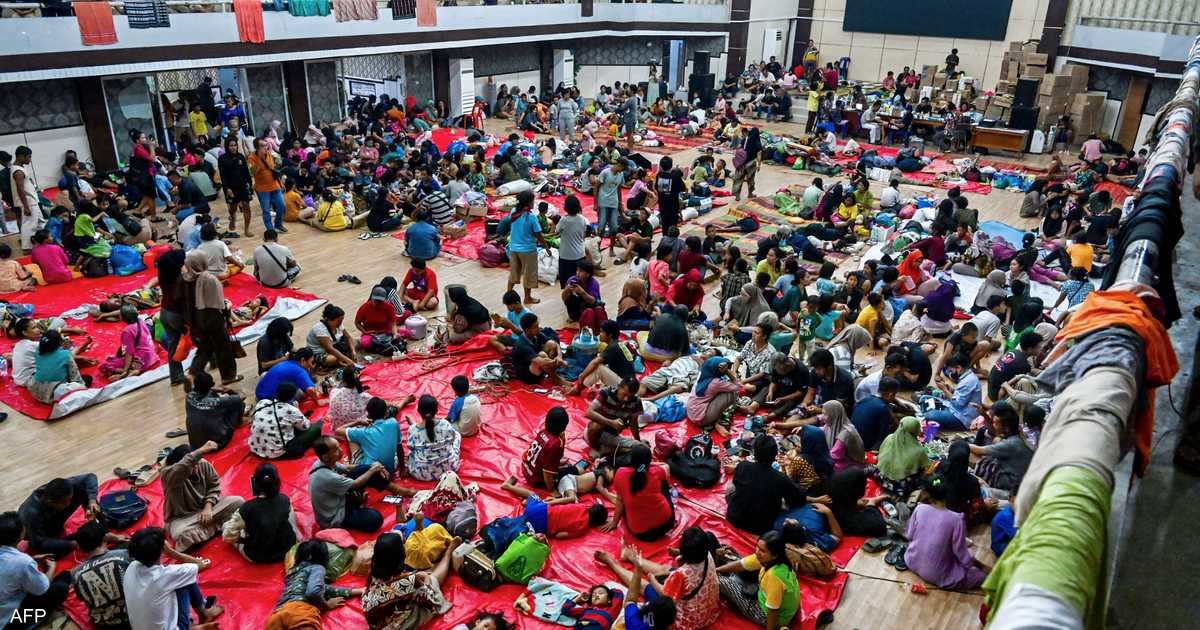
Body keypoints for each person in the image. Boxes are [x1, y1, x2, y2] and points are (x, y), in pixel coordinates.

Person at [594, 527, 719, 630]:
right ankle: (629, 555)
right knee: (665, 570)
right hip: (706, 615)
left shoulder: (680, 575)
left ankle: (613, 563)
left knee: (644, 585)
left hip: (687, 621)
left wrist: (651, 579)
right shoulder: (707, 555)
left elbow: (663, 595)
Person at [122, 527, 224, 630]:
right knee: (185, 579)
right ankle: (203, 615)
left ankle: (194, 627)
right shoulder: (166, 575)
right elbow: (200, 565)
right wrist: (172, 552)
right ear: (162, 549)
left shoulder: (132, 567)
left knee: (179, 579)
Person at [361, 531, 459, 630]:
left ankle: (440, 564)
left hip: (376, 624)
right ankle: (448, 554)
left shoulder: (373, 572)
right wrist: (426, 580)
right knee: (432, 580)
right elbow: (428, 600)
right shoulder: (407, 582)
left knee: (421, 577)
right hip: (395, 626)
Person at [903, 475, 987, 589]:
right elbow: (962, 555)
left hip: (911, 560)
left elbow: (909, 535)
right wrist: (981, 566)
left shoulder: (919, 509)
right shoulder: (956, 519)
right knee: (981, 576)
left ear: (927, 494)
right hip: (935, 574)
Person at [160, 441, 244, 551]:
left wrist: (208, 506)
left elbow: (214, 486)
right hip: (184, 519)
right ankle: (219, 525)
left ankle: (205, 531)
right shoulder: (169, 476)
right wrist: (201, 450)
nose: (196, 467)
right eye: (192, 465)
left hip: (209, 510)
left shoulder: (202, 464)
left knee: (238, 501)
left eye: (197, 463)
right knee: (179, 534)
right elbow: (182, 467)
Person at [265, 539, 361, 629]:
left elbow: (323, 588)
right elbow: (313, 592)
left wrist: (355, 591)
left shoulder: (292, 573)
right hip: (299, 612)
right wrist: (326, 605)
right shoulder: (317, 568)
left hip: (277, 614)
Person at [716, 530, 800, 630]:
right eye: (757, 547)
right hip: (767, 597)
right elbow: (741, 565)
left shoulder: (774, 577)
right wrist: (716, 570)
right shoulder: (775, 560)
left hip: (767, 616)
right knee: (733, 561)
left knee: (721, 581)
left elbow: (773, 611)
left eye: (762, 550)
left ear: (774, 555)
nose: (757, 552)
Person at [181, 251, 241, 385]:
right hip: (212, 318)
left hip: (194, 319)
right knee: (223, 347)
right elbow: (219, 303)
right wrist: (228, 307)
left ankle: (192, 373)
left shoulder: (185, 279)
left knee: (205, 348)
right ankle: (228, 376)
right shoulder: (209, 279)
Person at [728, 435, 805, 535]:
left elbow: (737, 483)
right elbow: (798, 498)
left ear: (754, 453)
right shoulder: (780, 478)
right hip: (760, 527)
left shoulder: (743, 466)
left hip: (734, 517)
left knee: (732, 488)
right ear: (775, 455)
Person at [221, 463, 298, 563]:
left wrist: (243, 540)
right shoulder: (284, 499)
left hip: (258, 555)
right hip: (287, 548)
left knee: (225, 526)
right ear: (277, 482)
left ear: (255, 483)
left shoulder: (247, 508)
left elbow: (228, 536)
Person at [308, 437, 385, 532]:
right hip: (335, 517)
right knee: (376, 519)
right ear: (325, 457)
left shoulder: (323, 462)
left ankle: (394, 489)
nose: (341, 450)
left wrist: (371, 466)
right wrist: (373, 469)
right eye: (336, 450)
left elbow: (347, 468)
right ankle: (355, 510)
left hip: (338, 500)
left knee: (364, 469)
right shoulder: (327, 476)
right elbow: (355, 484)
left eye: (339, 447)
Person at [602, 443, 674, 541]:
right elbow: (666, 467)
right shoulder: (657, 471)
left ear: (631, 459)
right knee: (663, 483)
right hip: (667, 524)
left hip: (642, 534)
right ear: (650, 461)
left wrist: (614, 522)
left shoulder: (620, 473)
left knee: (625, 500)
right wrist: (648, 465)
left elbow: (620, 501)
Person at [16, 473, 99, 558]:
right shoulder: (31, 514)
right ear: (50, 501)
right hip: (40, 531)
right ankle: (87, 534)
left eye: (69, 499)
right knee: (56, 553)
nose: (68, 504)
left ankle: (98, 523)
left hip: (54, 515)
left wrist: (92, 501)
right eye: (64, 502)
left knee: (82, 489)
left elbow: (90, 477)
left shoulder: (62, 488)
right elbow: (40, 543)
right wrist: (71, 544)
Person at [968, 401, 1034, 493]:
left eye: (995, 423)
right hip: (1018, 473)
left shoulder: (1010, 444)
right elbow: (995, 432)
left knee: (969, 455)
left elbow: (979, 450)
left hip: (1011, 482)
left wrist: (960, 445)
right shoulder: (1017, 431)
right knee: (995, 440)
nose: (993, 424)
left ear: (1006, 428)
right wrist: (984, 415)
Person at [249, 382, 324, 460]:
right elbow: (305, 427)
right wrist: (297, 409)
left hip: (255, 447)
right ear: (293, 396)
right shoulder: (291, 410)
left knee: (285, 425)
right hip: (278, 452)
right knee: (317, 427)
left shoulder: (262, 403)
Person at [405, 394, 462, 481]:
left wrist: (413, 425)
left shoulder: (413, 430)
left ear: (418, 410)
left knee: (412, 453)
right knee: (457, 435)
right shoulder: (445, 424)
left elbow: (411, 447)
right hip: (450, 468)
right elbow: (452, 438)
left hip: (422, 474)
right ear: (436, 410)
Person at [185, 370, 246, 450]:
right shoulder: (216, 402)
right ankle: (239, 422)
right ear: (210, 387)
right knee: (238, 403)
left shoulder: (189, 397)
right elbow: (242, 396)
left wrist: (212, 388)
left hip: (195, 444)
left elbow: (200, 389)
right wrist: (230, 390)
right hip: (217, 443)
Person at [584, 376, 644, 457]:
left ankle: (606, 450)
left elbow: (633, 423)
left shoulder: (636, 401)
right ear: (619, 387)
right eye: (624, 394)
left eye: (630, 396)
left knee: (641, 448)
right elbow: (588, 412)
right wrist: (611, 423)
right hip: (594, 434)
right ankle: (596, 448)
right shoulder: (606, 393)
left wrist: (638, 441)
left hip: (612, 436)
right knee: (596, 426)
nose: (626, 399)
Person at [925, 354, 982, 431]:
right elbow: (963, 396)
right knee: (926, 398)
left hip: (962, 418)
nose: (951, 373)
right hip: (955, 409)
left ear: (958, 368)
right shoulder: (968, 377)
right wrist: (952, 390)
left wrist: (944, 390)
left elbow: (958, 404)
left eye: (951, 371)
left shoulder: (968, 381)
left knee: (929, 415)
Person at [876, 416, 929, 498]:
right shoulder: (918, 451)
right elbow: (926, 468)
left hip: (881, 478)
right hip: (900, 486)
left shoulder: (889, 437)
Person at [825, 468, 887, 538]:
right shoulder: (848, 518)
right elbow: (880, 528)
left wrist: (857, 503)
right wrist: (871, 504)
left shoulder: (832, 491)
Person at [507, 190, 544, 305]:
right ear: (528, 203)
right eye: (533, 201)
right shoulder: (531, 217)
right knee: (528, 275)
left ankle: (508, 295)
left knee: (514, 273)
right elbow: (539, 235)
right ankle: (527, 298)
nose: (534, 203)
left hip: (513, 248)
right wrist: (546, 247)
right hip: (528, 250)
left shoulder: (513, 211)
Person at [522, 406, 570, 490]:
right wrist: (552, 490)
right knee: (572, 470)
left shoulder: (543, 432)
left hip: (526, 469)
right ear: (563, 426)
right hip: (536, 480)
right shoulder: (556, 444)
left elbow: (543, 455)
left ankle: (555, 464)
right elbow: (547, 473)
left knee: (559, 464)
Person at [687, 356, 740, 430]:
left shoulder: (702, 374)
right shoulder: (715, 382)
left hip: (691, 413)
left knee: (719, 391)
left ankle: (714, 419)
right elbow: (738, 386)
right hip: (700, 419)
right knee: (731, 393)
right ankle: (716, 422)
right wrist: (727, 372)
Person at [849, 377, 902, 450]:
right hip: (865, 447)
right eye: (894, 395)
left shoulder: (865, 399)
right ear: (890, 394)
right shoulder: (883, 408)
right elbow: (883, 436)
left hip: (851, 440)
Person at [217, 137, 254, 238]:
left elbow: (246, 172)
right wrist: (227, 188)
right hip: (230, 188)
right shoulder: (222, 159)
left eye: (235, 145)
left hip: (243, 186)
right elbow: (223, 175)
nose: (233, 147)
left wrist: (250, 184)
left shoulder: (241, 157)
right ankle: (232, 218)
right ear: (227, 147)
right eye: (231, 145)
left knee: (246, 206)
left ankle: (247, 229)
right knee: (233, 208)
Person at [12, 146, 47, 252]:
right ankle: (26, 248)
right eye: (28, 157)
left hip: (32, 201)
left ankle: (43, 241)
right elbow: (20, 189)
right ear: (20, 156)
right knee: (29, 225)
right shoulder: (18, 171)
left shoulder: (19, 168)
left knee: (40, 223)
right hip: (29, 202)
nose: (30, 160)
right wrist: (26, 206)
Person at [248, 137, 285, 233]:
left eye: (266, 145)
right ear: (257, 148)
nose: (266, 147)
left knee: (281, 206)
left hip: (275, 185)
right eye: (263, 146)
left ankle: (278, 224)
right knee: (266, 210)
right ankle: (270, 230)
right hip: (262, 189)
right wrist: (259, 159)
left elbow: (275, 167)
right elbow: (252, 172)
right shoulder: (252, 158)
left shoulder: (269, 154)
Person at [307, 304, 357, 368]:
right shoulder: (319, 329)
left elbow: (349, 338)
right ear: (329, 320)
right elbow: (330, 349)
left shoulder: (339, 324)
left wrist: (353, 351)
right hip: (319, 353)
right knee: (333, 359)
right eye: (338, 321)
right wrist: (348, 360)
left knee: (353, 343)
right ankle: (339, 363)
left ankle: (341, 360)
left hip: (334, 346)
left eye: (342, 320)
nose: (341, 323)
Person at [593, 159, 626, 255]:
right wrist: (595, 203)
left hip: (613, 204)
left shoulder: (621, 174)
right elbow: (596, 187)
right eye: (622, 168)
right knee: (601, 228)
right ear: (619, 164)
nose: (622, 170)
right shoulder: (605, 173)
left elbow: (619, 189)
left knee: (614, 228)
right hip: (603, 203)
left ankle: (611, 249)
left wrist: (620, 203)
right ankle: (597, 249)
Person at [822, 400, 866, 471]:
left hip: (852, 464)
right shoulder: (830, 425)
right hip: (841, 460)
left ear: (833, 415)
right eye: (822, 414)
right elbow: (819, 431)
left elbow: (834, 455)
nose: (822, 417)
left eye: (825, 414)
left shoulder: (846, 432)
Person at [556, 194, 589, 288]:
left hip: (566, 257)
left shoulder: (564, 220)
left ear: (566, 208)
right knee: (581, 282)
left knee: (568, 283)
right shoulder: (582, 219)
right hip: (580, 255)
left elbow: (556, 231)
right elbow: (583, 234)